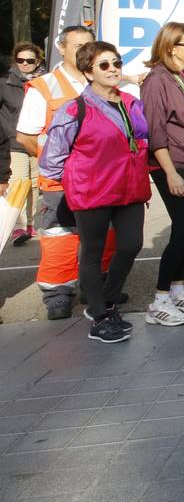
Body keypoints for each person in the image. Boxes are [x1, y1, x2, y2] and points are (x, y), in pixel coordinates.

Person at [37, 41, 149, 343]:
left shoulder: (130, 102)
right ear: (89, 72)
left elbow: (141, 141)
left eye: (116, 63)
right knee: (92, 252)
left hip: (130, 189)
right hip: (93, 192)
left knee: (130, 245)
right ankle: (99, 316)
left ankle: (107, 300)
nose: (113, 69)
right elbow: (51, 160)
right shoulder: (75, 109)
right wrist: (79, 179)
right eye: (104, 65)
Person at [15, 24, 103, 319]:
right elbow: (26, 137)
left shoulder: (101, 82)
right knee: (60, 236)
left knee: (102, 235)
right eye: (77, 46)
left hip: (99, 179)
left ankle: (98, 287)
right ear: (61, 48)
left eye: (88, 45)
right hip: (60, 182)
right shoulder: (45, 87)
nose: (83, 51)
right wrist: (59, 164)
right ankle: (58, 293)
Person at [140, 22, 184, 324]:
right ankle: (159, 299)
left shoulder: (183, 77)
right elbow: (155, 132)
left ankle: (177, 289)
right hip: (174, 164)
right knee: (182, 229)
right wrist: (170, 172)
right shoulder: (157, 80)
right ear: (172, 47)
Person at [3, 42, 45, 245]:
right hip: (13, 141)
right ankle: (17, 227)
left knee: (35, 185)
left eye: (30, 60)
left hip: (36, 139)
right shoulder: (5, 83)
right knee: (19, 182)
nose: (25, 64)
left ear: (37, 61)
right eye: (20, 60)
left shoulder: (44, 82)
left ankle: (29, 224)